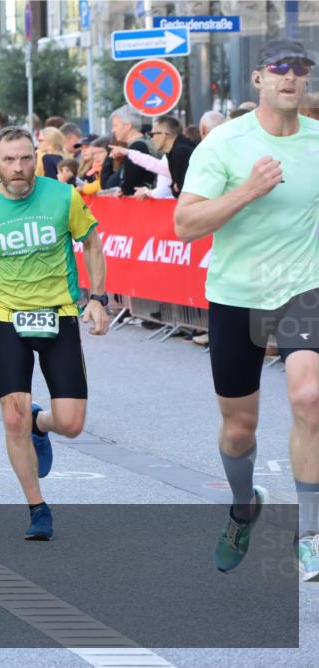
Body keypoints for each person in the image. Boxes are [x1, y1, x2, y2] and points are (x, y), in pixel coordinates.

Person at [174, 39, 319, 579]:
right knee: (240, 429)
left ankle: (311, 534)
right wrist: (249, 192)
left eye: (301, 70)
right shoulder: (224, 145)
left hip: (305, 289)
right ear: (257, 79)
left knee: (310, 396)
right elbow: (185, 226)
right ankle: (242, 507)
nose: (291, 78)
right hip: (236, 295)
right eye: (280, 69)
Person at [0, 126, 109, 540]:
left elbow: (92, 244)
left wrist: (98, 297)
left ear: (35, 157)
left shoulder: (63, 197)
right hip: (7, 318)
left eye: (25, 159)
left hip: (58, 315)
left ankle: (43, 424)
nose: (18, 168)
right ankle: (38, 509)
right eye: (9, 160)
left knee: (72, 424)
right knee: (12, 417)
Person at [110, 115, 195, 199]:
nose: (151, 139)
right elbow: (155, 165)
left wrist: (147, 192)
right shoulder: (175, 151)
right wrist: (127, 152)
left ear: (164, 135)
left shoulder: (181, 151)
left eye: (152, 134)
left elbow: (184, 191)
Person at [105, 106, 156, 195]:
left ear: (127, 126)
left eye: (115, 125)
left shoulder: (137, 147)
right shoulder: (144, 143)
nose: (113, 130)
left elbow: (129, 187)